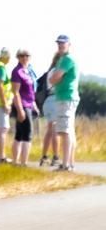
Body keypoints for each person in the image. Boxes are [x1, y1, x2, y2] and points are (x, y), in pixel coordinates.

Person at [48, 34, 80, 171]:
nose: (60, 45)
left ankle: (66, 165)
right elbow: (54, 79)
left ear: (69, 44)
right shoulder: (62, 59)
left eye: (63, 43)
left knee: (65, 131)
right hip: (63, 97)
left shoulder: (67, 59)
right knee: (68, 131)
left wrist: (56, 79)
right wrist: (56, 79)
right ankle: (69, 163)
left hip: (67, 98)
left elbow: (53, 79)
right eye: (59, 43)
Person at [10, 48, 37, 165]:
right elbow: (15, 92)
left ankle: (16, 162)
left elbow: (30, 91)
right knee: (27, 134)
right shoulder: (17, 71)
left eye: (27, 55)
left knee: (20, 134)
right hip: (22, 105)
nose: (25, 58)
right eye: (22, 56)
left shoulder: (28, 71)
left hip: (29, 104)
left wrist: (34, 104)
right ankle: (23, 163)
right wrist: (20, 110)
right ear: (18, 57)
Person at [38, 48, 62, 166]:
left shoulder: (49, 71)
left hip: (47, 101)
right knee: (55, 130)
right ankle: (56, 157)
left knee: (49, 129)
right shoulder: (56, 71)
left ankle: (44, 156)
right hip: (55, 100)